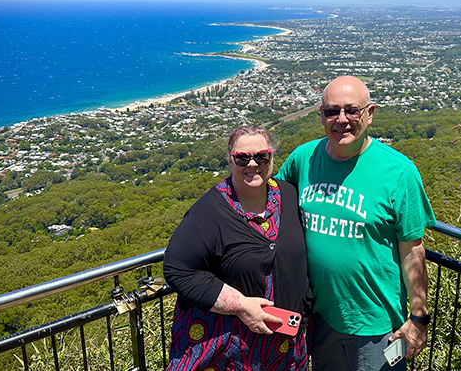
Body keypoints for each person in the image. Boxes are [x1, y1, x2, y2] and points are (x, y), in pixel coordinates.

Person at [276, 75, 436, 371]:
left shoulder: (399, 172)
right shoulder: (303, 159)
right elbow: (269, 203)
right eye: (331, 111)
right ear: (321, 115)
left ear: (370, 113)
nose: (341, 119)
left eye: (352, 110)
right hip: (320, 317)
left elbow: (413, 250)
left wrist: (418, 319)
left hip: (378, 325)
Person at [163, 126, 312, 371]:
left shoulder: (287, 194)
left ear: (272, 157)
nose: (252, 164)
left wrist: (303, 307)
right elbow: (178, 270)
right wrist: (241, 306)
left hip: (284, 350)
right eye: (242, 158)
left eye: (261, 156)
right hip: (229, 352)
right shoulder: (209, 211)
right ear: (230, 161)